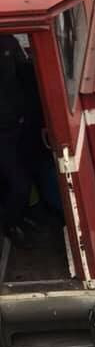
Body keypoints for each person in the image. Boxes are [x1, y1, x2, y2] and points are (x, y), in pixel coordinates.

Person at [0, 35, 33, 246]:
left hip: (16, 122)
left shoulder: (8, 40)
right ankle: (10, 225)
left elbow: (25, 73)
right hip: (3, 130)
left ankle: (19, 217)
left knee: (22, 177)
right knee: (18, 183)